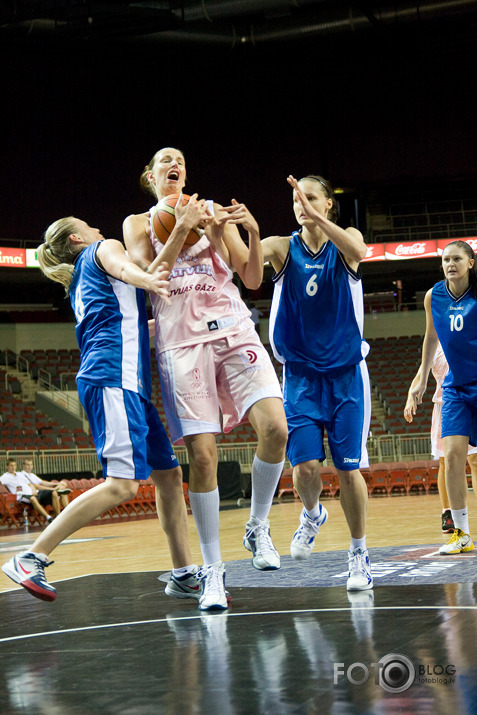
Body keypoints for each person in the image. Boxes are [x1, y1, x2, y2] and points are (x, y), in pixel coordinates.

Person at [123, 147, 288, 611]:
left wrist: (250, 233)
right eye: (164, 161)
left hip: (232, 327)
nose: (175, 165)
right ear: (151, 176)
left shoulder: (212, 213)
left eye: (180, 161)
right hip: (180, 342)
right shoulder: (137, 224)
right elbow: (149, 276)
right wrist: (178, 226)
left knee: (277, 428)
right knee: (202, 455)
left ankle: (258, 526)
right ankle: (214, 573)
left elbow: (252, 276)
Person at [2, 216, 197, 602]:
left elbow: (135, 327)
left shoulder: (82, 279)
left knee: (170, 477)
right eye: (89, 225)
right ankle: (30, 556)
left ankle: (184, 573)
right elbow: (131, 269)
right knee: (123, 484)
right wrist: (156, 269)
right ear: (79, 237)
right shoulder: (101, 250)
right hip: (112, 377)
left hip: (126, 382)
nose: (97, 228)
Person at [262, 174, 373, 591]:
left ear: (328, 204)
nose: (301, 204)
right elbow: (247, 260)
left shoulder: (346, 243)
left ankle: (359, 554)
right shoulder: (282, 247)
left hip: (346, 375)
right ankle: (311, 514)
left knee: (349, 470)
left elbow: (359, 250)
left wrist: (318, 222)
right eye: (295, 198)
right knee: (305, 466)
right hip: (301, 378)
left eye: (309, 198)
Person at [406, 240, 477, 555]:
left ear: (470, 263)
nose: (450, 263)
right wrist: (421, 378)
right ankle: (461, 533)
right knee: (451, 458)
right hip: (454, 388)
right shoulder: (433, 296)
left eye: (457, 258)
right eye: (446, 259)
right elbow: (431, 336)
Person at [404, 343, 477, 533]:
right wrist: (410, 397)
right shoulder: (435, 342)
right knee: (447, 462)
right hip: (444, 406)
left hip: (470, 400)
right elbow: (423, 369)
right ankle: (448, 513)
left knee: (475, 460)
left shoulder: (465, 333)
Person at [1, 458, 62, 523]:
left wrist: (34, 490)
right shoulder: (5, 477)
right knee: (33, 498)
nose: (13, 467)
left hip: (34, 492)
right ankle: (48, 517)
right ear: (7, 466)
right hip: (22, 496)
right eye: (11, 465)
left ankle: (59, 517)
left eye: (14, 465)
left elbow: (30, 484)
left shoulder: (20, 474)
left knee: (53, 492)